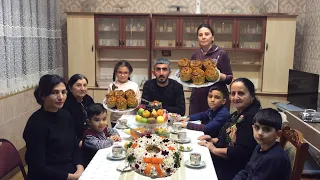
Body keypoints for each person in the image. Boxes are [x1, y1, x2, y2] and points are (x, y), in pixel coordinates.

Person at [197, 78, 261, 180]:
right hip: (225, 161)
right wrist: (212, 139)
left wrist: (213, 149)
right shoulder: (237, 114)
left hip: (235, 170)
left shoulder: (251, 118)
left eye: (241, 93)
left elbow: (240, 152)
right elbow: (225, 137)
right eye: (233, 93)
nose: (236, 97)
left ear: (252, 96)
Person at [23, 74, 84, 180]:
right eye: (55, 92)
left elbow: (74, 147)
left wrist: (80, 167)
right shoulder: (36, 124)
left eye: (63, 92)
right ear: (43, 95)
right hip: (48, 176)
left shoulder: (66, 115)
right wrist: (71, 177)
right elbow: (38, 168)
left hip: (70, 170)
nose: (61, 97)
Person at [233, 108, 291, 180]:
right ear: (252, 127)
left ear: (278, 134)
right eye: (257, 127)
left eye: (266, 129)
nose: (260, 133)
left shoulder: (273, 158)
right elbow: (247, 171)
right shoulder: (259, 147)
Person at [190, 23, 233, 115]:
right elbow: (191, 78)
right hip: (197, 99)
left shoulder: (221, 53)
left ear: (212, 37)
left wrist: (218, 75)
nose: (203, 37)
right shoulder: (195, 55)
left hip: (216, 100)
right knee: (195, 126)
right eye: (200, 35)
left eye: (206, 34)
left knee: (214, 127)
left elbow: (229, 78)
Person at [107, 60, 141, 127]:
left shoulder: (134, 85)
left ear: (129, 73)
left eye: (125, 73)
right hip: (116, 119)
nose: (122, 75)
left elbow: (138, 101)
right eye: (120, 72)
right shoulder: (111, 85)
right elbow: (108, 101)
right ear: (116, 73)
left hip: (131, 118)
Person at [63, 74, 94, 145]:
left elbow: (96, 116)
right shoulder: (66, 104)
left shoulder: (88, 99)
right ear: (70, 88)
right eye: (78, 85)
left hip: (90, 137)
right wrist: (78, 142)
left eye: (85, 85)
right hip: (75, 142)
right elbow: (66, 130)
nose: (82, 88)